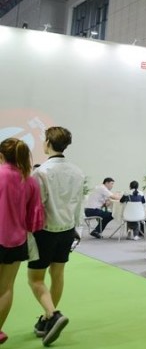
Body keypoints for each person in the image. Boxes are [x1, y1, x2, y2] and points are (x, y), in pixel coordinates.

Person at [28, 126, 85, 346]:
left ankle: (53, 315)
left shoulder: (41, 172)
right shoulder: (77, 171)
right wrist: (77, 228)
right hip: (67, 229)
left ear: (47, 143)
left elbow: (37, 205)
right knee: (58, 274)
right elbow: (78, 202)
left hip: (45, 231)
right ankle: (46, 319)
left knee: (35, 279)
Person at [0, 138, 44, 345]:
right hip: (17, 241)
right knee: (6, 288)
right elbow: (35, 218)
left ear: (1, 156)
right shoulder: (29, 180)